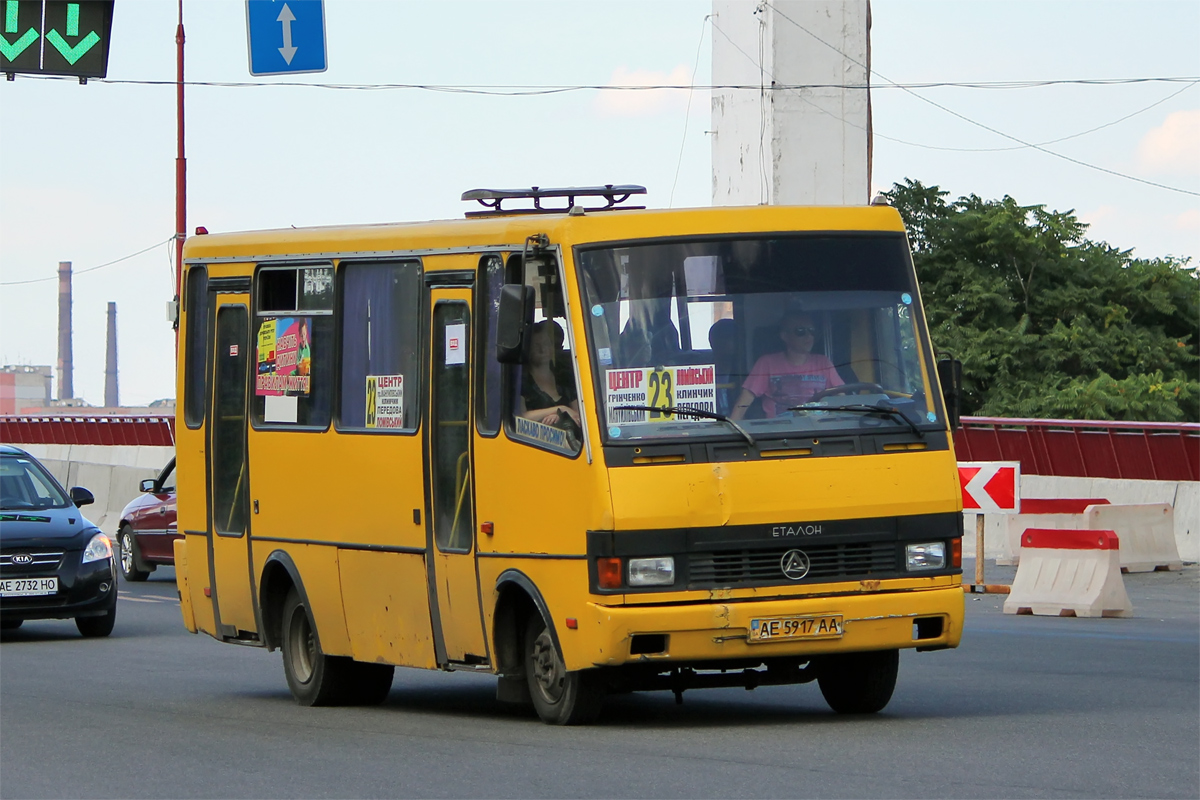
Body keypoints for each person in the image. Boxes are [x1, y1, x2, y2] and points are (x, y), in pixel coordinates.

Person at [729, 311, 843, 420]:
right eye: (800, 331)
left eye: (812, 331)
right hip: (779, 433)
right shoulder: (766, 363)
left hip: (819, 433)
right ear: (785, 336)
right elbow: (743, 403)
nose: (808, 336)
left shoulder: (823, 362)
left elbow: (842, 398)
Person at [518, 320, 581, 428]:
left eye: (546, 344)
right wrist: (561, 409)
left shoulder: (565, 376)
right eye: (536, 345)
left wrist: (560, 417)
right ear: (527, 349)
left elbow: (579, 416)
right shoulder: (521, 381)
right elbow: (521, 416)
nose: (542, 349)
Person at [707, 318, 741, 415]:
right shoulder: (701, 373)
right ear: (712, 342)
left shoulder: (746, 373)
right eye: (723, 338)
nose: (730, 343)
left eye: (731, 338)